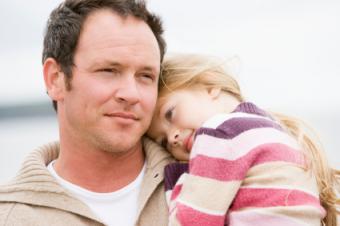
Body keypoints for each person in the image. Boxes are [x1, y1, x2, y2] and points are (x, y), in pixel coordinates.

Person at [0, 0, 174, 225]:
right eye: (109, 71)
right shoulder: (9, 218)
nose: (131, 94)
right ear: (55, 79)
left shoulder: (205, 183)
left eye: (145, 76)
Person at [147, 54, 340, 226]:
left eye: (170, 114)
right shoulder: (270, 128)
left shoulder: (220, 134)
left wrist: (177, 184)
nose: (172, 137)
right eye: (163, 141)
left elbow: (194, 220)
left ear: (209, 85)